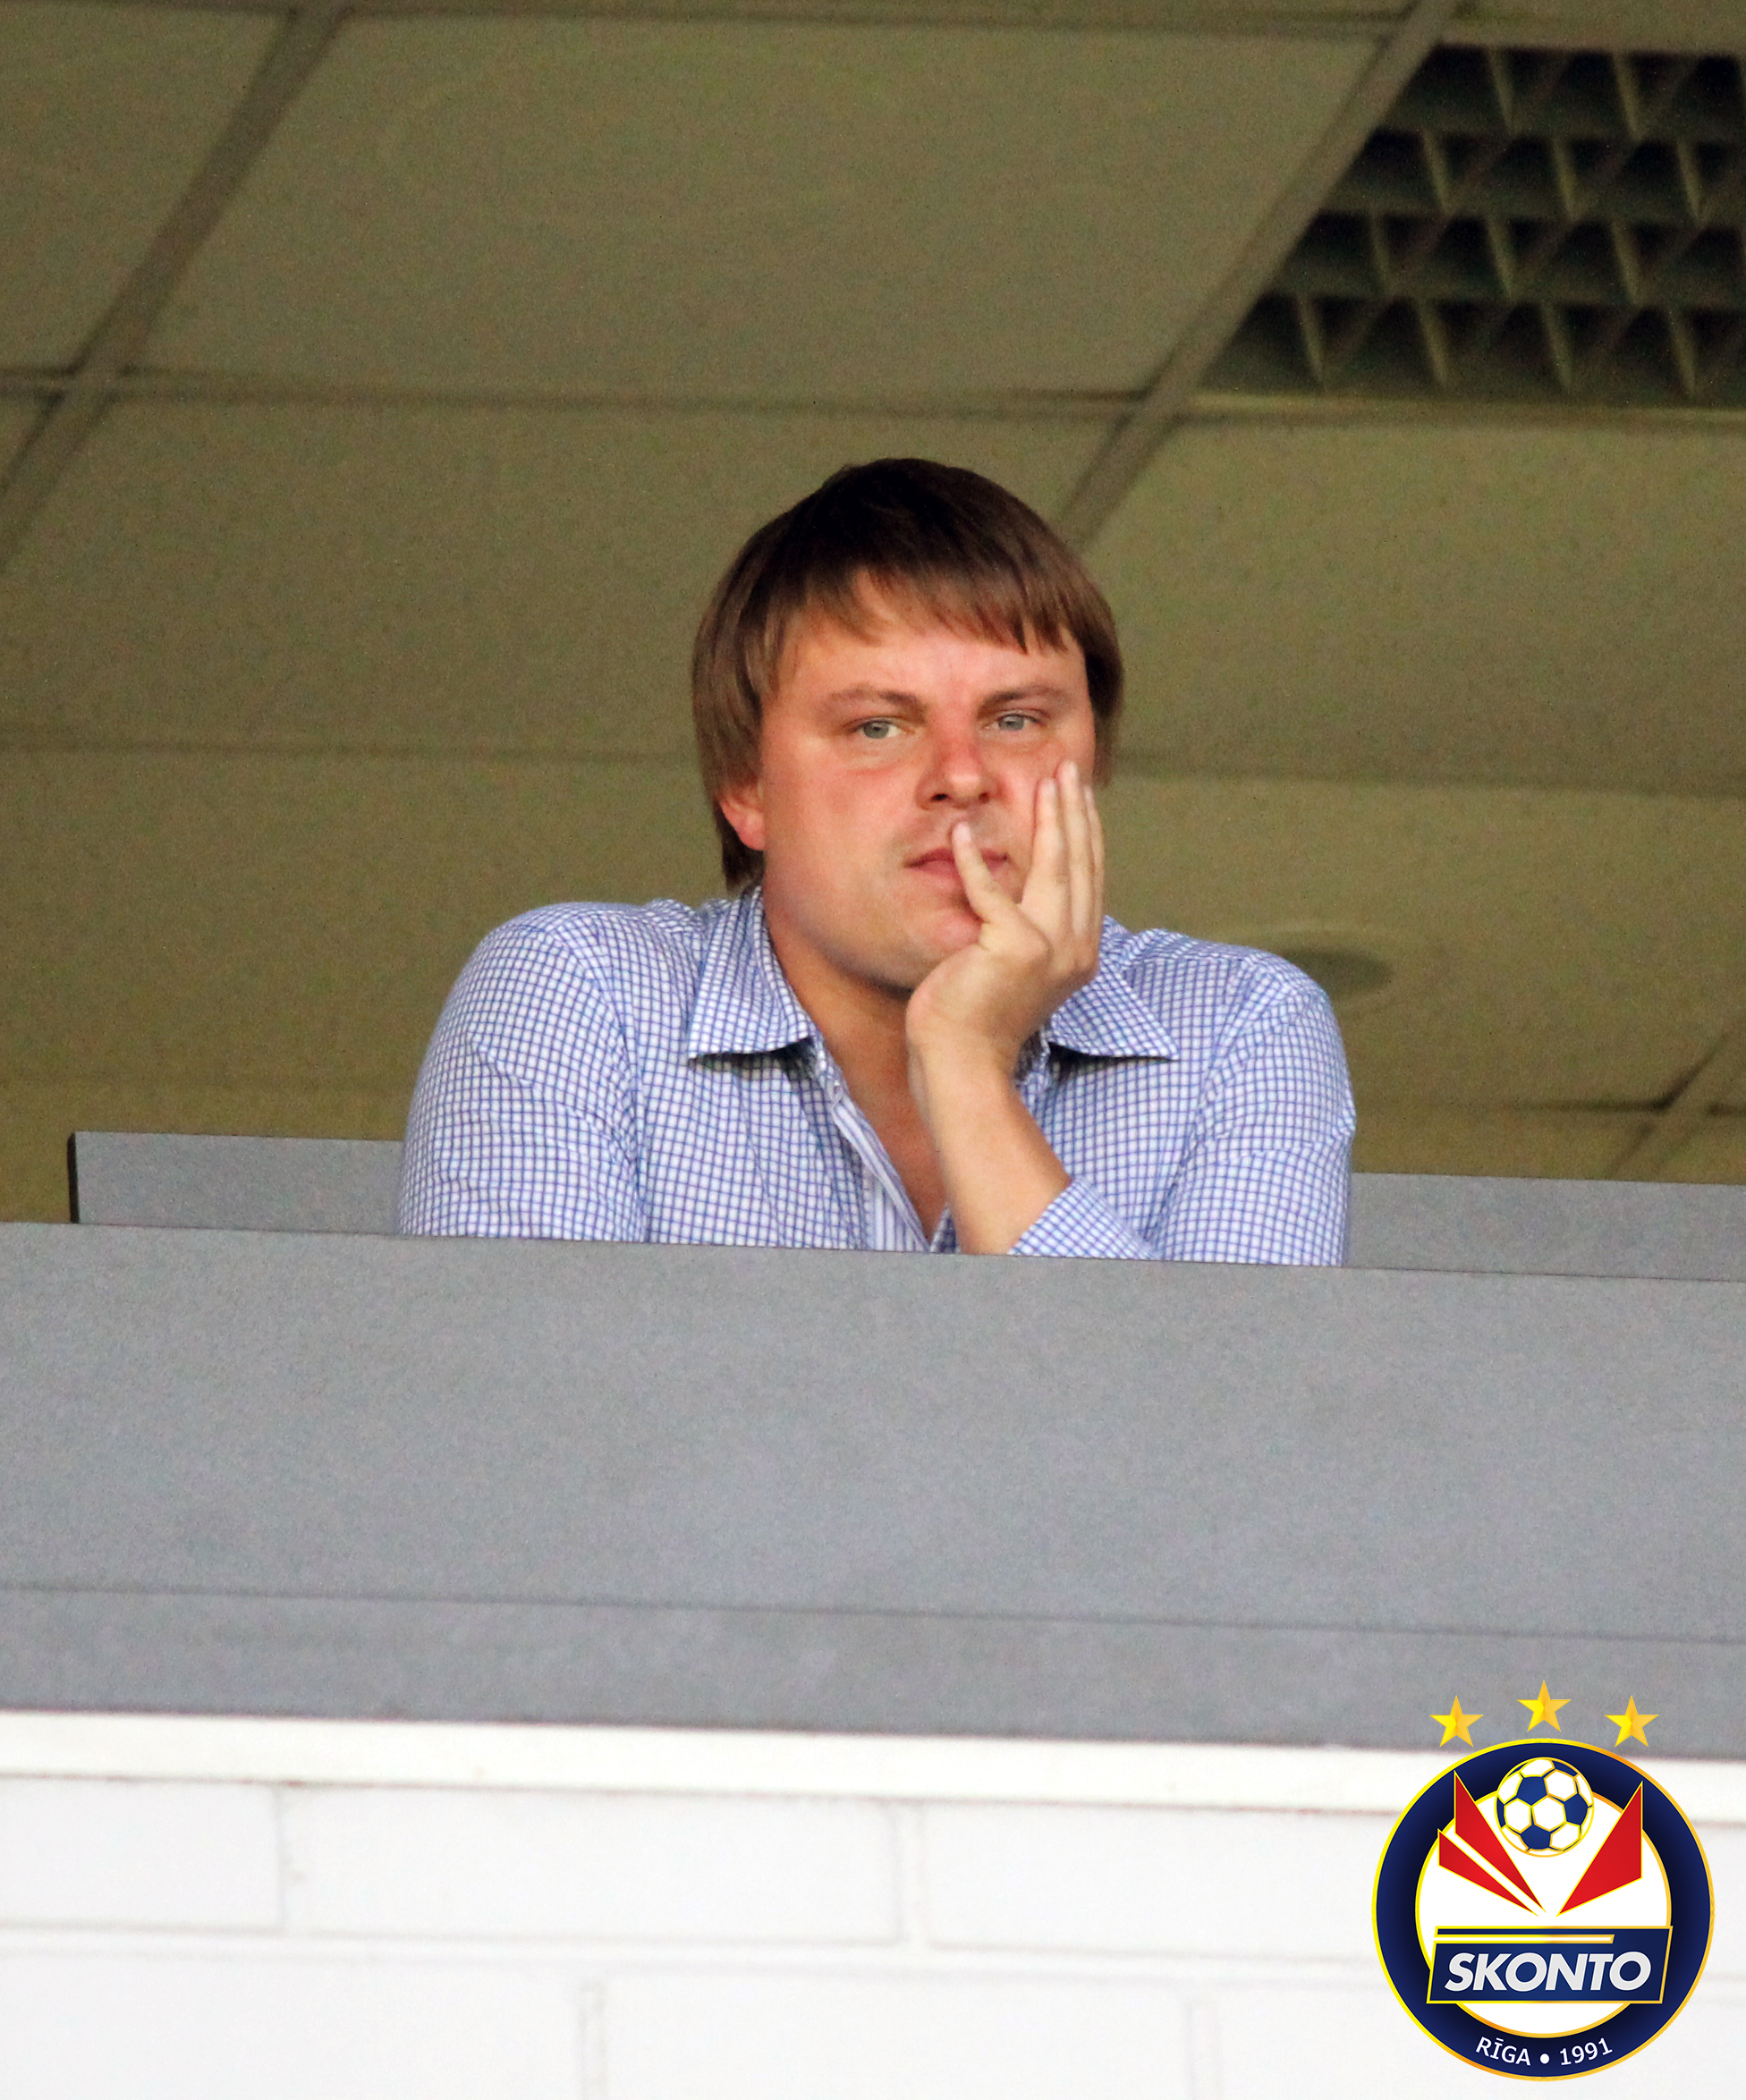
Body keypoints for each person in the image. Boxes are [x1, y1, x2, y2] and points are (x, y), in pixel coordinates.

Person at [397, 458, 1353, 1258]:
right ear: (746, 788)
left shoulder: (1239, 1027)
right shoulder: (579, 995)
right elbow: (527, 1415)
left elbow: (1211, 1425)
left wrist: (967, 1069)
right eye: (877, 726)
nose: (961, 776)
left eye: (1016, 719)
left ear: (1092, 761)